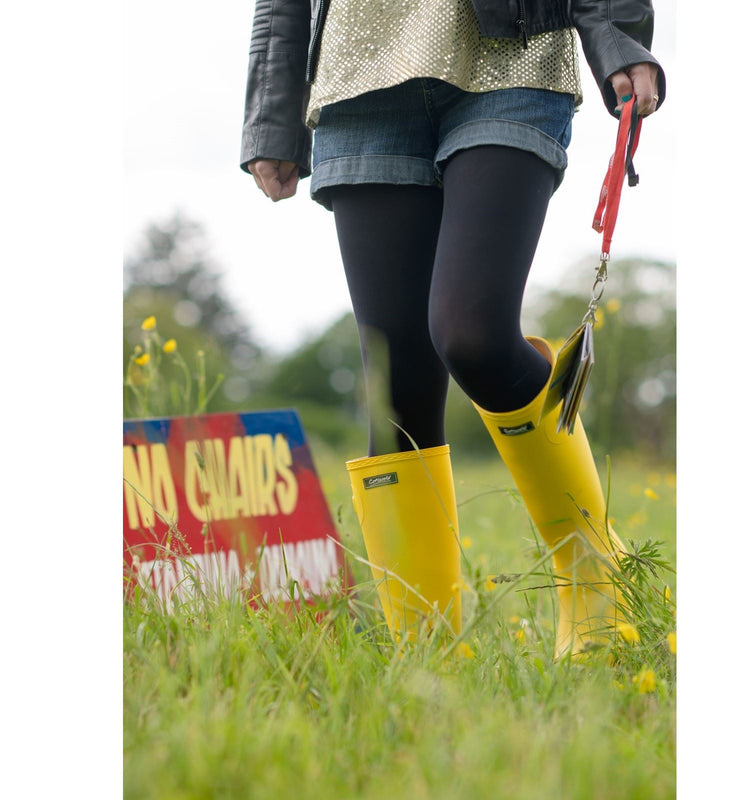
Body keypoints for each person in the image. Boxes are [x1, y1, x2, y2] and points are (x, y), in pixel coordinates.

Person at [240, 0, 665, 657]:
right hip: (360, 76)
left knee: (473, 334)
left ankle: (593, 573)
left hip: (512, 56)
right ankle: (424, 650)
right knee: (397, 388)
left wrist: (617, 36)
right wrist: (273, 113)